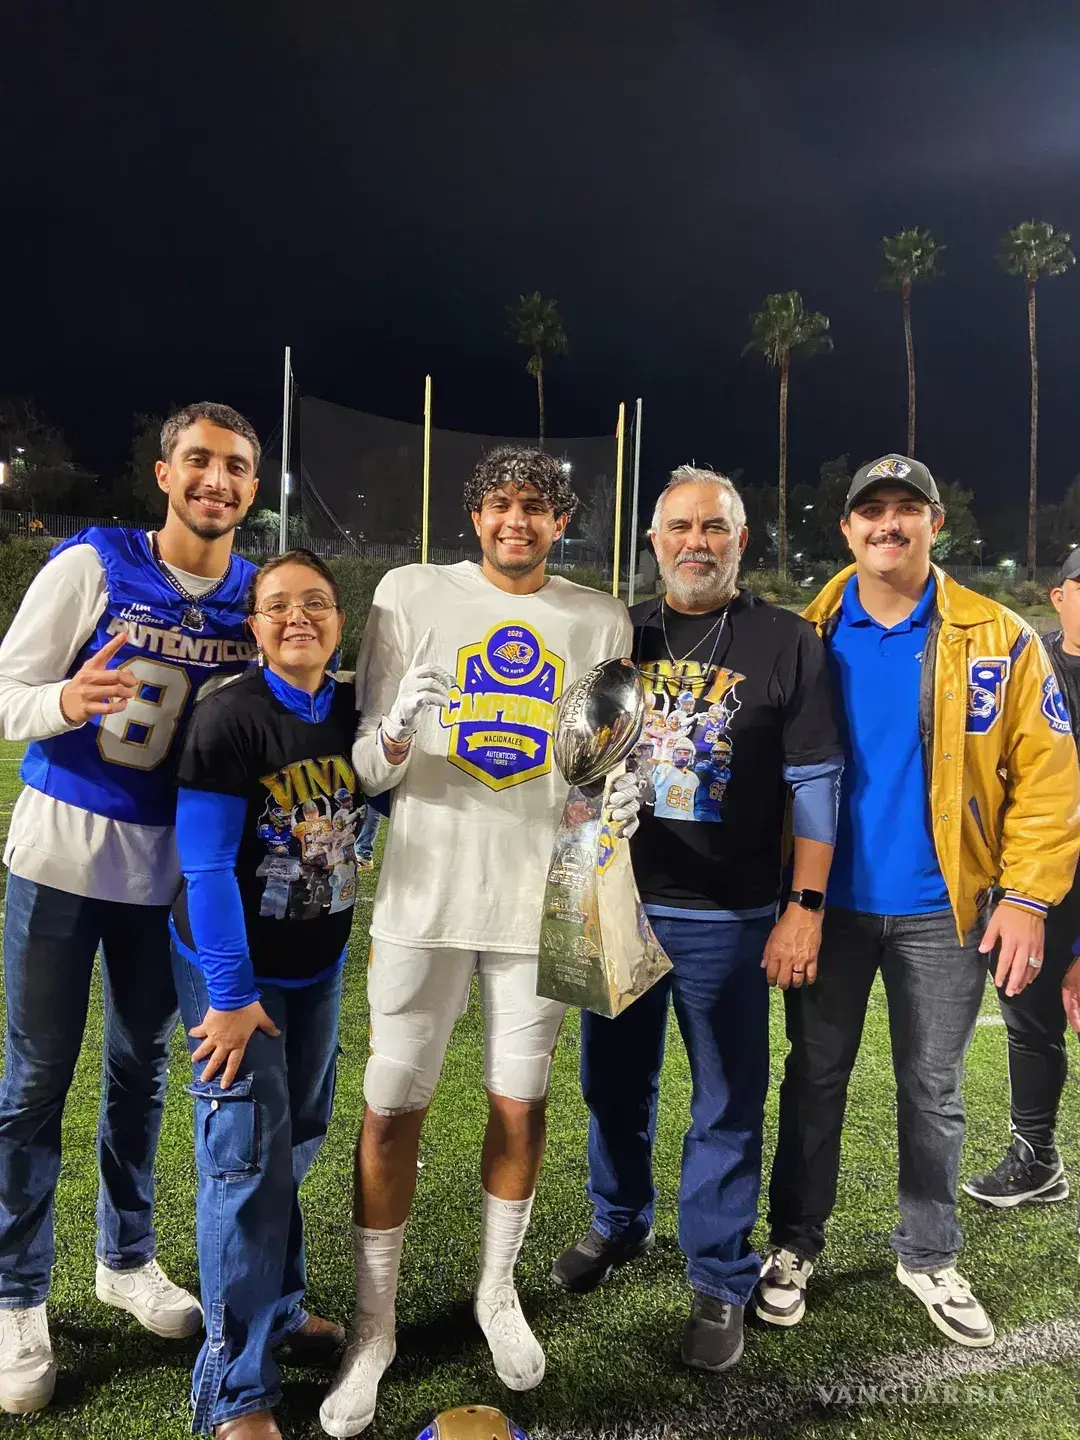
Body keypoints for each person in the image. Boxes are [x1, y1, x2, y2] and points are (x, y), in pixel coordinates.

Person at [320, 446, 632, 1438]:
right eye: (500, 505)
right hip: (423, 886)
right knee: (390, 1105)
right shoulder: (411, 592)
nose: (516, 522)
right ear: (476, 514)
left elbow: (595, 763)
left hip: (537, 893)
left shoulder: (600, 617)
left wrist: (617, 792)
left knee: (520, 1101)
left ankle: (499, 1291)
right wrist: (400, 739)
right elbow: (368, 765)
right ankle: (375, 1329)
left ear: (560, 521)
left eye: (535, 508)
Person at [757, 454, 1080, 1349]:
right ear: (848, 530)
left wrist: (1026, 897)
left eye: (907, 509)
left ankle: (928, 1251)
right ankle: (793, 1244)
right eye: (872, 512)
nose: (887, 525)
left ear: (937, 523)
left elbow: (1050, 781)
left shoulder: (999, 638)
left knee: (932, 1090)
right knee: (814, 1078)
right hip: (827, 906)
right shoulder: (806, 631)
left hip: (946, 912)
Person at [0, 402, 263, 1415]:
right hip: (66, 850)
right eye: (198, 461)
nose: (216, 481)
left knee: (141, 1070)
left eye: (236, 467)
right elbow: (8, 686)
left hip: (169, 877)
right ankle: (20, 1295)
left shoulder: (251, 593)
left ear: (252, 487)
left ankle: (125, 1258)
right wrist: (64, 704)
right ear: (163, 472)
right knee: (32, 1084)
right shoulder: (94, 564)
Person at [550, 466, 843, 1373]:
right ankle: (618, 1221)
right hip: (621, 903)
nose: (695, 543)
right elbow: (570, 761)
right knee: (611, 1085)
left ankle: (719, 1275)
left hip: (733, 912)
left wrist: (804, 907)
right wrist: (582, 812)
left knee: (724, 1098)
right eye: (678, 527)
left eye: (713, 527)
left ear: (740, 540)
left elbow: (817, 785)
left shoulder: (785, 640)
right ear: (653, 539)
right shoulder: (617, 632)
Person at [170, 550, 450, 1440]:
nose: (298, 617)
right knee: (245, 1166)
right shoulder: (231, 717)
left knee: (291, 1147)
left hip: (314, 966)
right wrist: (227, 992)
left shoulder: (348, 713)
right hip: (235, 977)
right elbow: (206, 862)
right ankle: (234, 1391)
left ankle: (281, 1310)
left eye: (317, 604)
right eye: (278, 605)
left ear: (341, 623)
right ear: (252, 625)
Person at [963, 550, 1080, 1209]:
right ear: (1056, 596)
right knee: (1031, 1017)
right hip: (1032, 876)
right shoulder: (1025, 664)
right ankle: (1037, 1156)